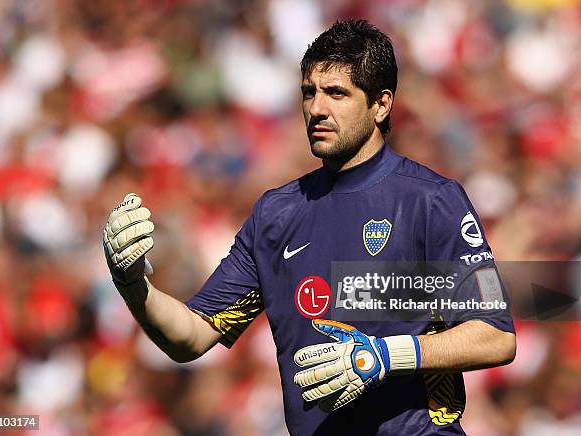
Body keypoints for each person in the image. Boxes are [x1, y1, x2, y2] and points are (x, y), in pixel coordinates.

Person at [103, 20, 516, 435]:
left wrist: (385, 356)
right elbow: (190, 336)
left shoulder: (432, 200)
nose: (317, 107)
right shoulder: (276, 214)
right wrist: (133, 284)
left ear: (381, 105)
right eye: (308, 92)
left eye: (337, 93)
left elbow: (495, 336)